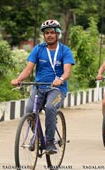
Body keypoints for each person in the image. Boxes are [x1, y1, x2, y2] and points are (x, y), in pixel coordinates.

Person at [11, 19, 75, 154]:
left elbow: (67, 71)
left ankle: (50, 142)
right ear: (44, 35)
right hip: (39, 87)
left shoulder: (65, 50)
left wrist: (61, 79)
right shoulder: (38, 49)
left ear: (57, 34)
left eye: (52, 32)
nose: (49, 35)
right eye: (47, 33)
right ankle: (38, 136)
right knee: (29, 109)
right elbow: (28, 69)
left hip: (57, 89)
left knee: (50, 107)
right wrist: (18, 79)